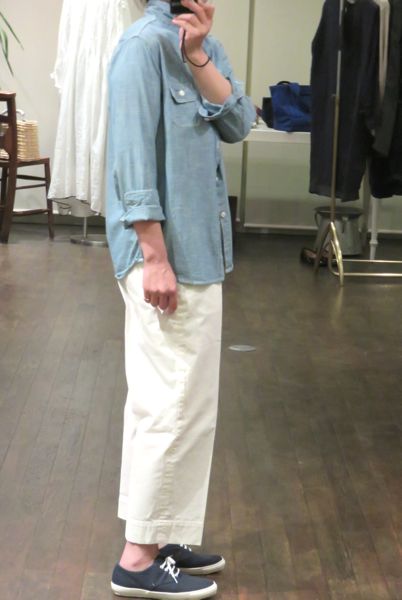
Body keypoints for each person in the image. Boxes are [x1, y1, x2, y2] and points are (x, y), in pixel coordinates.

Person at [106, 0, 256, 597]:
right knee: (165, 402)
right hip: (166, 255)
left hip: (200, 251)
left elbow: (239, 122)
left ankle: (164, 536)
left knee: (189, 405)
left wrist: (197, 55)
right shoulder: (142, 48)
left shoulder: (200, 47)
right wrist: (154, 256)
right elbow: (131, 158)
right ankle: (137, 559)